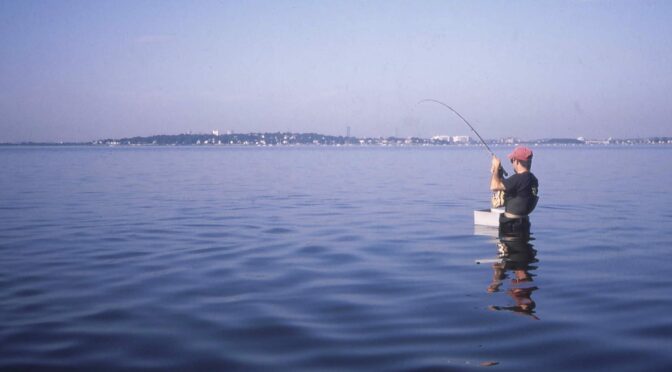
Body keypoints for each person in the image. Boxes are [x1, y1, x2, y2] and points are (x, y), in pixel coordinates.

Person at [490, 146, 539, 237]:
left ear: (517, 161)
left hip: (511, 226)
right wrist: (499, 175)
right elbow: (510, 187)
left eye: (512, 160)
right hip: (524, 224)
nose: (512, 163)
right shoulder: (532, 179)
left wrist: (496, 168)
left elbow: (494, 186)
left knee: (510, 250)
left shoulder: (519, 179)